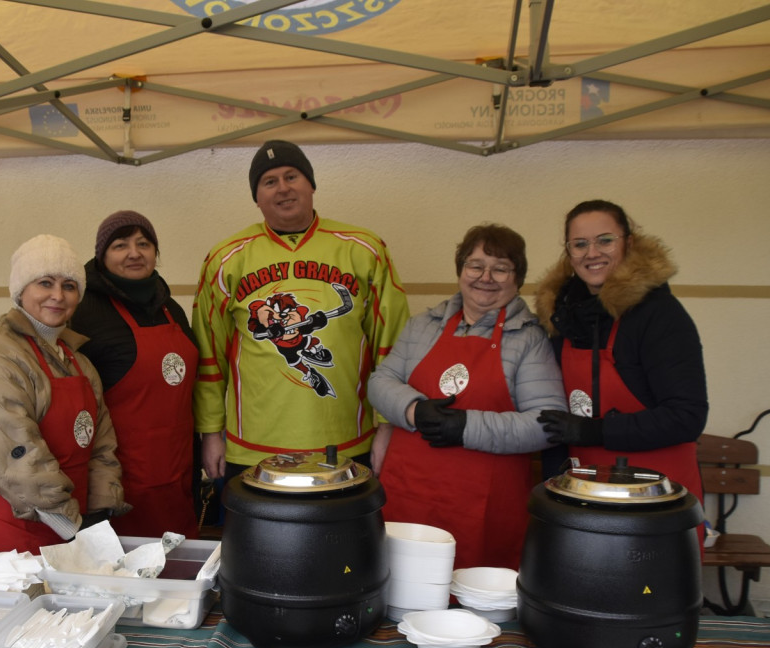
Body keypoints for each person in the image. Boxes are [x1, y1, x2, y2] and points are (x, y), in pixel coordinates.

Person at [192, 140, 409, 484]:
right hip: (251, 448)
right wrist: (210, 432)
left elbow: (393, 349)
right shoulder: (226, 258)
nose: (283, 188)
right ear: (257, 196)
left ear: (310, 184)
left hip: (347, 443)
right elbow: (209, 356)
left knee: (346, 539)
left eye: (292, 176)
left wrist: (388, 426)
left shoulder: (364, 249)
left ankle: (312, 358)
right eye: (269, 181)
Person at [369, 224, 566, 570]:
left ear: (517, 277)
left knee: (475, 601)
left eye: (500, 267)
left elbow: (547, 422)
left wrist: (465, 426)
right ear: (461, 270)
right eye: (475, 265)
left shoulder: (529, 338)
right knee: (404, 585)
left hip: (483, 502)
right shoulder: (423, 325)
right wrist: (415, 411)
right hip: (409, 492)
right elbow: (380, 380)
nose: (485, 277)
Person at [0, 234, 126, 554]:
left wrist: (98, 515)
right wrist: (73, 530)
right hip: (7, 532)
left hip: (65, 528)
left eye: (69, 286)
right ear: (20, 291)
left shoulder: (77, 361)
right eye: (45, 283)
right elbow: (16, 454)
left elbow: (102, 447)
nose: (57, 295)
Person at [534, 199, 708, 503]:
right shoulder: (563, 317)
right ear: (569, 253)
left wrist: (596, 431)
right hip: (584, 493)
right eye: (579, 244)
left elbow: (686, 416)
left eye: (605, 241)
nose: (592, 253)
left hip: (657, 497)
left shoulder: (659, 315)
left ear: (628, 243)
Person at [68, 211, 200, 538]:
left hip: (178, 472)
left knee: (181, 569)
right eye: (120, 245)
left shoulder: (170, 306)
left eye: (144, 243)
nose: (134, 253)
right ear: (102, 255)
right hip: (120, 480)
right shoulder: (82, 311)